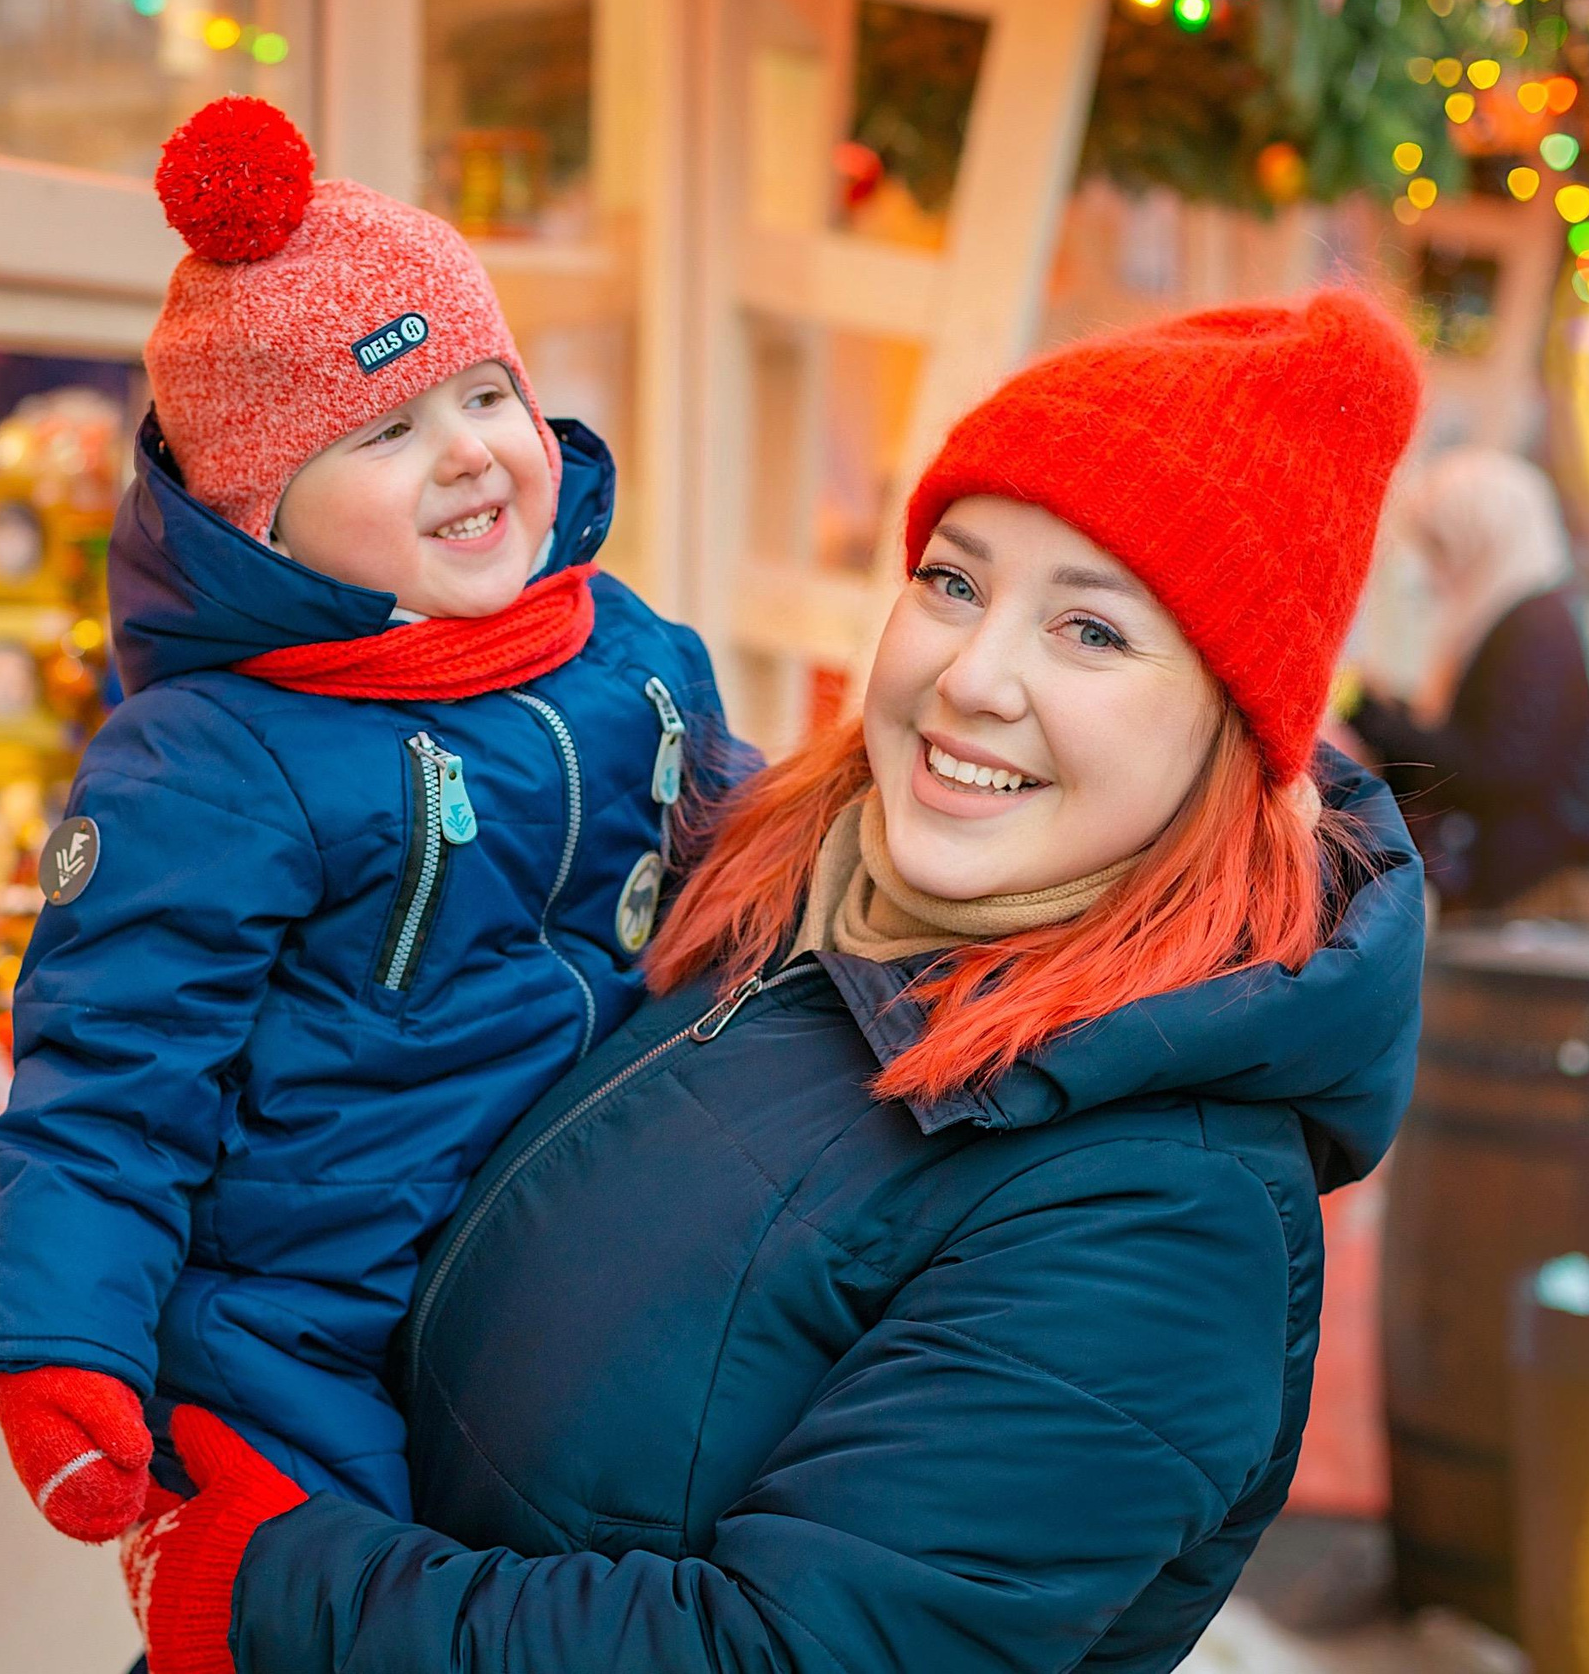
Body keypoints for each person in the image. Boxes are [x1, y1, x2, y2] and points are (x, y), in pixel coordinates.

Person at [116, 293, 1430, 1674]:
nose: (973, 676)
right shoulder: (779, 904)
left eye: (1091, 632)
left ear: (1232, 727)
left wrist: (274, 1584)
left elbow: (781, 1652)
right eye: (955, 582)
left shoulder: (1163, 1220)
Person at [0, 97, 743, 1544]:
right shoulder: (210, 760)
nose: (468, 452)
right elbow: (114, 1078)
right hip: (306, 1310)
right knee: (341, 1592)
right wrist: (60, 1342)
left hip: (572, 1243)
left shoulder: (626, 648)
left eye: (486, 396)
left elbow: (748, 857)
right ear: (262, 522)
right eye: (387, 429)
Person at [1343, 446, 1589, 920]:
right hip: (1510, 879)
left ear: (1485, 537)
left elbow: (1500, 767)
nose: (1436, 568)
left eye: (1444, 546)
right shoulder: (1503, 618)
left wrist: (1379, 720)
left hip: (1537, 889)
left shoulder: (1535, 626)